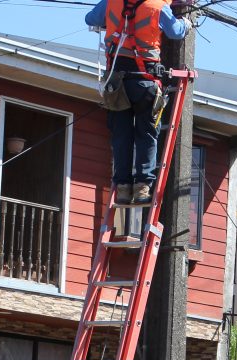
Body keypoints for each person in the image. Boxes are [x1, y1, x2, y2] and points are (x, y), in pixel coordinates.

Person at [85, 0, 190, 206]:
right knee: (147, 134)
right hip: (145, 81)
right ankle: (142, 187)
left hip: (116, 83)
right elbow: (176, 32)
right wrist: (186, 23)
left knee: (121, 135)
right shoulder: (158, 6)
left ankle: (123, 188)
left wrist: (114, 23)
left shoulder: (111, 2)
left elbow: (90, 19)